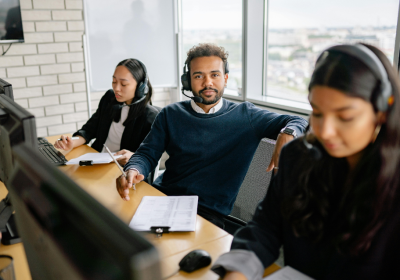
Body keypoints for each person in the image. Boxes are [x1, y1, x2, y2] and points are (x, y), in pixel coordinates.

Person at [212, 43, 400, 280]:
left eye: (345, 117)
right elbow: (264, 229)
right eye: (317, 112)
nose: (326, 131)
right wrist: (237, 272)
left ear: (382, 111)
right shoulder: (298, 157)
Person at [116, 43, 307, 229]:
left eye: (214, 75)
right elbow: (147, 154)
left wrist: (287, 133)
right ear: (187, 81)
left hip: (207, 213)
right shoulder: (170, 114)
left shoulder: (246, 115)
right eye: (198, 76)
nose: (208, 82)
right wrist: (132, 168)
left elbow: (299, 121)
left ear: (225, 78)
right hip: (163, 197)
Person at [54, 59, 159, 166]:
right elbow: (89, 130)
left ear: (140, 88)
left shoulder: (149, 116)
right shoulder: (109, 99)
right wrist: (72, 143)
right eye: (114, 81)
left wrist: (133, 157)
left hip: (121, 168)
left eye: (123, 84)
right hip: (97, 160)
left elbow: (149, 155)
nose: (116, 88)